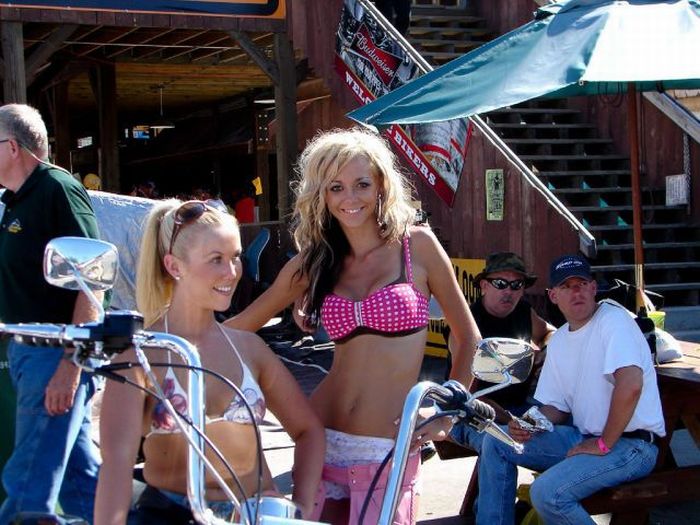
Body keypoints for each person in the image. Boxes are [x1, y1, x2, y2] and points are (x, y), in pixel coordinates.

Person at [226, 128, 481, 524]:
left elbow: (467, 338)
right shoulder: (314, 263)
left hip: (387, 445)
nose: (350, 199)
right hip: (319, 437)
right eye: (336, 187)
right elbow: (240, 330)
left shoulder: (418, 247)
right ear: (321, 195)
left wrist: (450, 412)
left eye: (362, 184)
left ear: (381, 184)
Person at [95, 199, 324, 525]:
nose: (231, 273)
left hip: (254, 511)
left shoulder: (249, 348)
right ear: (175, 266)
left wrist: (299, 509)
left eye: (234, 258)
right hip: (171, 514)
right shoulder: (141, 357)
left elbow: (308, 430)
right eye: (216, 260)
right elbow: (116, 464)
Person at [476, 254, 665, 525]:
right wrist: (527, 424)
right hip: (585, 438)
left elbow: (631, 385)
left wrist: (603, 443)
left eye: (581, 283)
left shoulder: (614, 319)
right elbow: (556, 407)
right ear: (553, 296)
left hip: (632, 446)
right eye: (566, 286)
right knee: (496, 440)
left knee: (547, 493)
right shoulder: (561, 338)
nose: (575, 291)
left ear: (592, 288)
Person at [0, 103, 102, 522]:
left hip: (53, 355)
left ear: (10, 147)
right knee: (84, 485)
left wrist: (70, 365)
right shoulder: (17, 200)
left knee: (26, 494)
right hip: (31, 354)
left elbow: (94, 278)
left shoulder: (56, 189)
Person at [448, 252, 555, 453]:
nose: (509, 291)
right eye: (500, 283)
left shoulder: (524, 312)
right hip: (468, 416)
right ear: (484, 285)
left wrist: (544, 353)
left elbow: (549, 333)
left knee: (564, 431)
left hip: (518, 408)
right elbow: (469, 394)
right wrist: (512, 422)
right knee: (498, 446)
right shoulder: (466, 326)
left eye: (517, 285)